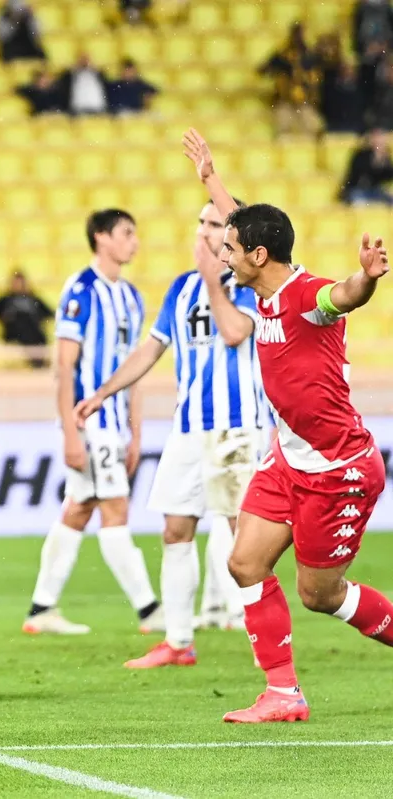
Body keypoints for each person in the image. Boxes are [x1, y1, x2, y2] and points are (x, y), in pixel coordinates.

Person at [184, 128, 392, 723]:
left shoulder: (307, 297)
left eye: (230, 249)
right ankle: (282, 693)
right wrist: (210, 179)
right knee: (244, 563)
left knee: (320, 596)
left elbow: (341, 295)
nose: (222, 254)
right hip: (289, 456)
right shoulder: (263, 283)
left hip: (339, 467)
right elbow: (240, 222)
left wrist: (368, 281)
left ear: (256, 258)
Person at [74, 198, 266, 667]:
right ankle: (179, 642)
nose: (203, 231)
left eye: (215, 223)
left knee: (246, 539)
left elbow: (235, 332)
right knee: (175, 529)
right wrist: (103, 392)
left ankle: (267, 644)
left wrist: (210, 280)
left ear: (234, 236)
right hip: (187, 429)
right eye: (200, 222)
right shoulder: (181, 287)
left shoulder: (247, 284)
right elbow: (150, 350)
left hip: (237, 428)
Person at [23, 209, 162, 636]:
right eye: (126, 233)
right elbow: (64, 367)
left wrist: (137, 434)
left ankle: (41, 609)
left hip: (117, 424)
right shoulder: (81, 290)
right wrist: (69, 431)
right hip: (90, 421)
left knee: (79, 509)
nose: (134, 242)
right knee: (114, 508)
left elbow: (134, 371)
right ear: (101, 238)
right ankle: (149, 610)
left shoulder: (133, 297)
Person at [0, 270, 52, 368]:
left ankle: (38, 361)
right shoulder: (5, 299)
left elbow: (49, 313)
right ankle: (37, 362)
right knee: (22, 323)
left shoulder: (33, 299)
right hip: (13, 331)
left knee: (31, 328)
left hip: (33, 330)